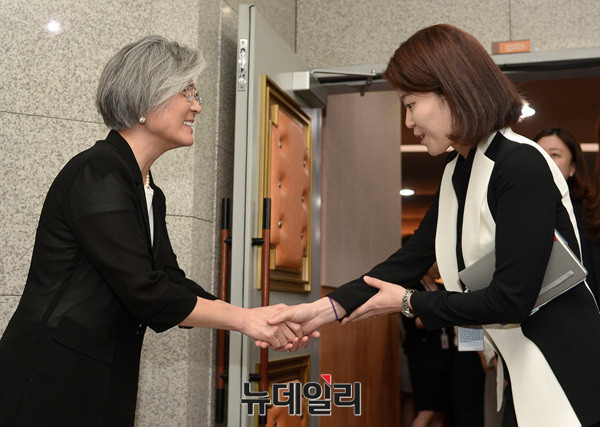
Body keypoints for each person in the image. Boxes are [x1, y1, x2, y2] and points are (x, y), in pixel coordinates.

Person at [268, 24, 600, 426]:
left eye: (411, 104)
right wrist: (322, 310)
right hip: (520, 365)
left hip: (563, 368)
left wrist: (408, 302)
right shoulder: (457, 168)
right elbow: (412, 257)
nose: (408, 121)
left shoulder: (519, 164)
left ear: (452, 91)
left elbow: (511, 300)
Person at [0, 36, 313, 425]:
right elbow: (145, 291)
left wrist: (252, 316)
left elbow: (169, 280)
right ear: (145, 99)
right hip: (50, 376)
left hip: (100, 374)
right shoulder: (98, 173)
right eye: (187, 92)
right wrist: (243, 320)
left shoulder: (147, 189)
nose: (197, 106)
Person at [534, 127, 600, 303]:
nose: (545, 160)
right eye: (539, 153)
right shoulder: (518, 211)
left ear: (572, 167)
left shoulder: (591, 213)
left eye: (554, 154)